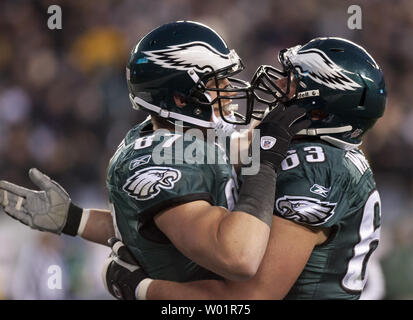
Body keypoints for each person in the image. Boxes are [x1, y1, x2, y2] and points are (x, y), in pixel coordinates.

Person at [0, 21, 309, 290]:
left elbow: (150, 230)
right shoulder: (162, 157)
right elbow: (238, 256)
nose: (230, 90)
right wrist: (265, 162)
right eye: (217, 82)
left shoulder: (186, 134)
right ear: (179, 98)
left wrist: (76, 220)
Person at [102, 37, 387, 300]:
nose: (278, 85)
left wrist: (142, 289)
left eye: (292, 82)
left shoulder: (316, 168)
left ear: (319, 111)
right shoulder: (299, 150)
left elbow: (247, 299)